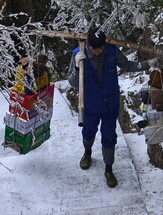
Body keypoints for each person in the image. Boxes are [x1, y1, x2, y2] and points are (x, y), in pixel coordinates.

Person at [66, 28, 154, 188]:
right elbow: (72, 82)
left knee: (109, 136)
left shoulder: (112, 52)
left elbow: (128, 65)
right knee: (88, 131)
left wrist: (147, 64)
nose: (98, 51)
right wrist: (78, 67)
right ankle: (87, 152)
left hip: (110, 104)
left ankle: (108, 168)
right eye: (94, 48)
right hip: (90, 103)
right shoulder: (78, 54)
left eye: (100, 48)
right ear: (89, 46)